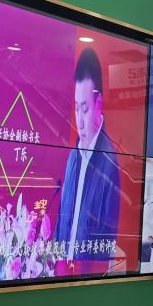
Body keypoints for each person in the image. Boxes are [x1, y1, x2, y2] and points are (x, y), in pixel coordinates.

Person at [54, 48, 121, 261]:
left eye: (84, 109)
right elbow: (60, 224)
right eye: (76, 109)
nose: (79, 122)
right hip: (60, 272)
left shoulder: (110, 164)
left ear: (98, 103)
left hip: (86, 277)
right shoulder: (73, 157)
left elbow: (106, 244)